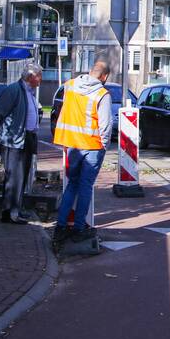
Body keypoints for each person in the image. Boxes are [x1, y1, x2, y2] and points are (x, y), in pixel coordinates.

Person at [53, 61, 113, 246]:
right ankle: (79, 227)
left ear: (89, 72)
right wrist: (104, 145)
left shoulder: (70, 86)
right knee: (86, 187)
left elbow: (62, 112)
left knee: (72, 185)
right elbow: (105, 124)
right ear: (104, 77)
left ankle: (60, 227)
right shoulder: (102, 94)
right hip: (92, 146)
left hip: (72, 144)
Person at [0, 62, 43, 224]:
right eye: (39, 75)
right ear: (31, 77)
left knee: (22, 176)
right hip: (14, 140)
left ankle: (16, 209)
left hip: (25, 138)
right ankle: (11, 213)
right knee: (15, 176)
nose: (41, 79)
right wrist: (0, 134)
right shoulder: (14, 90)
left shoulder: (29, 91)